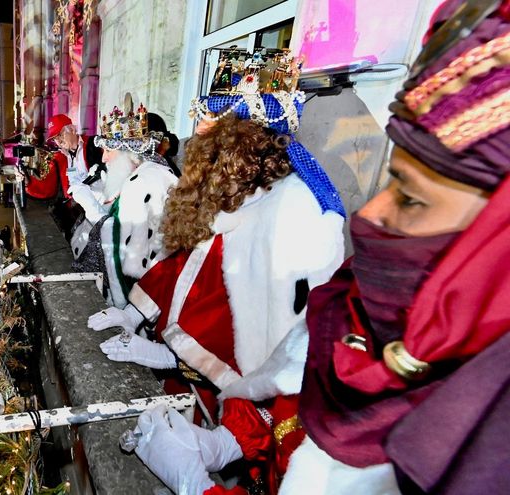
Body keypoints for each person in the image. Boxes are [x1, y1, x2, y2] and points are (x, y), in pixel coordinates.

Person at [132, 2, 510, 493]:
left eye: (412, 198)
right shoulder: (366, 308)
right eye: (393, 180)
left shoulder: (479, 449)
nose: (371, 216)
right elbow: (287, 391)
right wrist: (227, 441)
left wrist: (195, 484)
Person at [95, 51, 346, 494]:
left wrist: (224, 446)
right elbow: (185, 268)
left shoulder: (294, 217)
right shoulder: (239, 197)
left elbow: (289, 361)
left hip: (231, 406)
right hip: (200, 387)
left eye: (207, 133)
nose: (193, 143)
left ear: (238, 144)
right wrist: (136, 316)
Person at [70, 95, 179, 308]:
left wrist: (91, 208)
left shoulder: (146, 182)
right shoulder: (139, 177)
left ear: (128, 154)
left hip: (137, 304)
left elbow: (126, 251)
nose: (103, 159)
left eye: (108, 151)